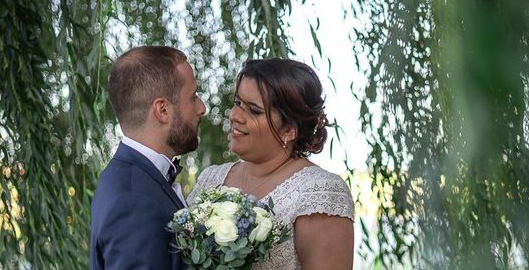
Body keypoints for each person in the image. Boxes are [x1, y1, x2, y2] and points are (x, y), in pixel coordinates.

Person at [189, 58, 354, 270]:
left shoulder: (318, 192)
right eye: (238, 103)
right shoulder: (209, 178)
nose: (235, 116)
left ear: (289, 129)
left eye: (254, 110)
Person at [90, 46, 206, 269]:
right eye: (193, 97)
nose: (202, 108)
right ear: (162, 110)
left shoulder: (131, 178)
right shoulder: (134, 200)